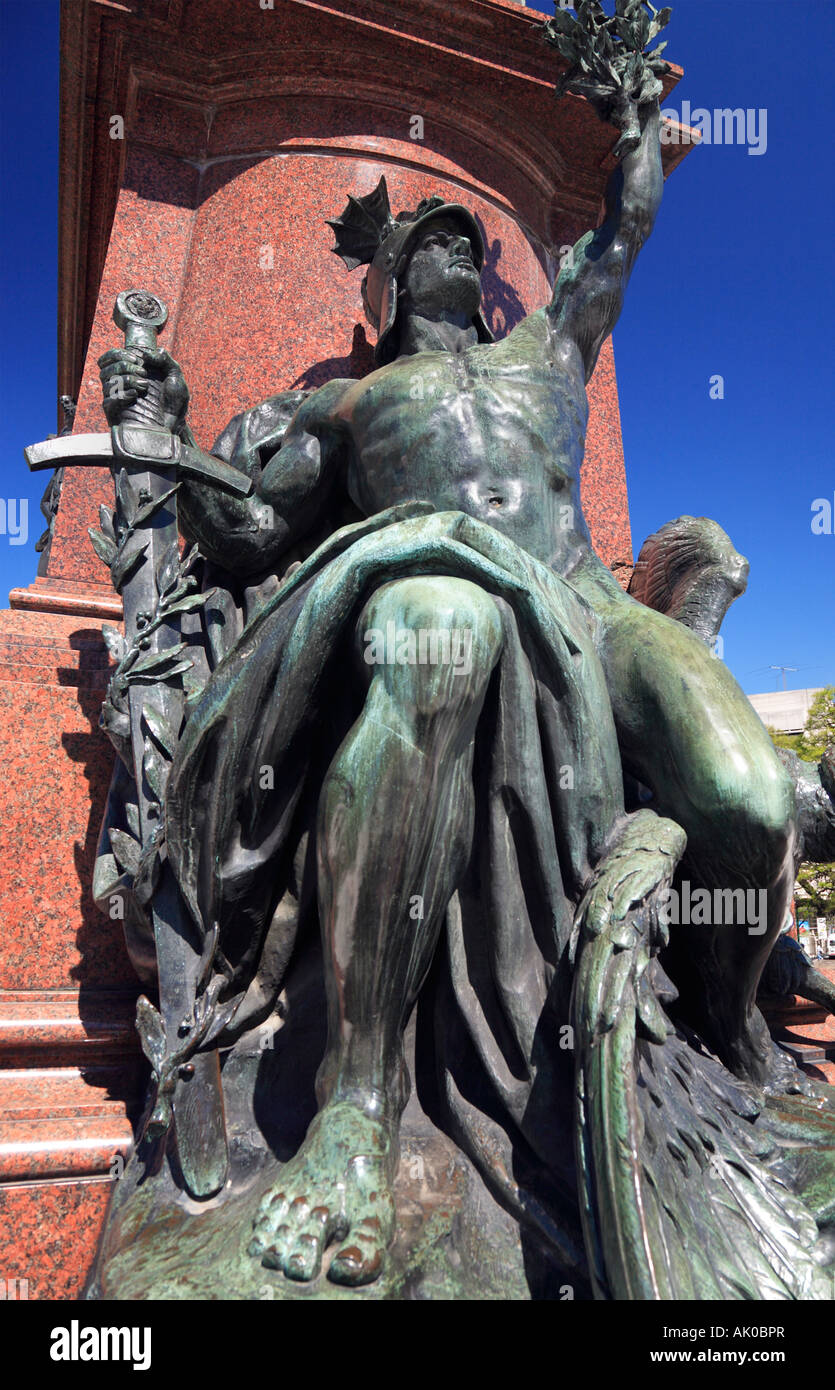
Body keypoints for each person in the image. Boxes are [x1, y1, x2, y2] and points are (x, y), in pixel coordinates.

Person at [99, 96, 796, 1287]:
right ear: (382, 285)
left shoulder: (551, 349)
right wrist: (160, 439)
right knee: (436, 621)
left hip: (588, 607)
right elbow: (255, 526)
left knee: (748, 799)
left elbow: (621, 234)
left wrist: (636, 133)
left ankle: (732, 1029)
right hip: (436, 589)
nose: (460, 249)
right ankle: (356, 1107)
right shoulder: (349, 402)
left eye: (470, 240)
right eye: (429, 239)